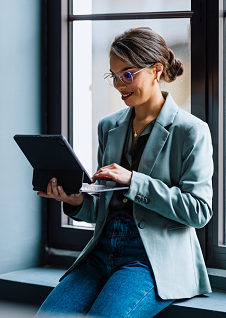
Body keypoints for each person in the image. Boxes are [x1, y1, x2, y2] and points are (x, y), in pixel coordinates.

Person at [35, 27, 213, 318]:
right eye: (113, 76)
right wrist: (75, 201)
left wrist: (133, 180)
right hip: (101, 252)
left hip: (151, 261)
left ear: (156, 70)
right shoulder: (109, 127)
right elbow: (101, 209)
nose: (119, 85)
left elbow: (199, 211)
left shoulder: (191, 131)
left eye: (127, 75)